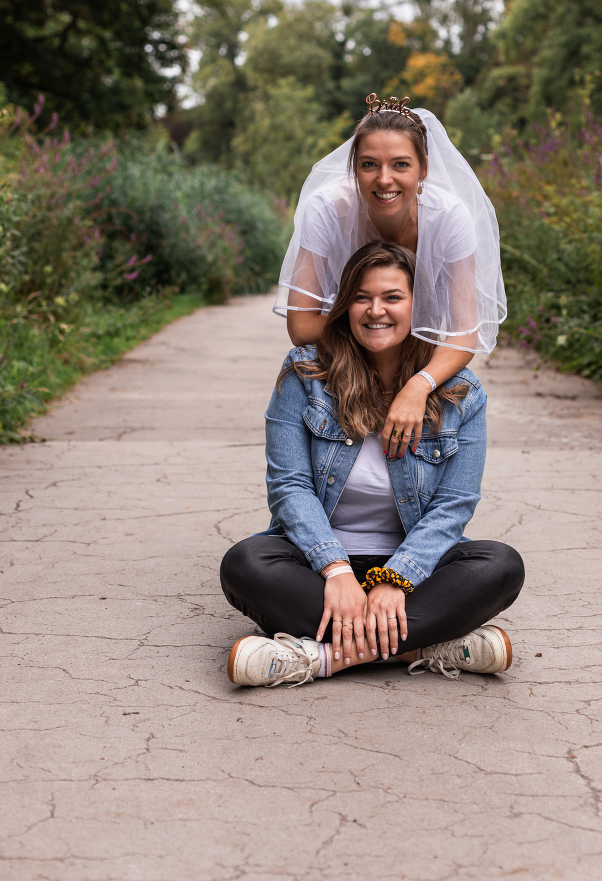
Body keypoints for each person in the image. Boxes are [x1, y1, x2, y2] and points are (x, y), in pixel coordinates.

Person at [220, 241, 524, 688]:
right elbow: (290, 488)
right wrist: (337, 571)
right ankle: (426, 647)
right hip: (318, 568)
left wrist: (395, 580)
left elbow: (454, 506)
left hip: (415, 570)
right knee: (245, 563)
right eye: (362, 297)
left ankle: (320, 659)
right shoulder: (305, 374)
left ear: (419, 308)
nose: (375, 310)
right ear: (345, 306)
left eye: (393, 297)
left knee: (500, 565)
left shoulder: (462, 393)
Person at [273, 94, 507, 461]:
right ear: (353, 168)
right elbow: (301, 326)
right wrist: (372, 328)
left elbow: (466, 332)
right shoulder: (327, 209)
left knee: (459, 391)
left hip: (417, 354)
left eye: (400, 164)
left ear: (423, 168)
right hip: (346, 350)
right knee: (299, 360)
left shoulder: (450, 218)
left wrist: (419, 384)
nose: (384, 180)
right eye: (369, 164)